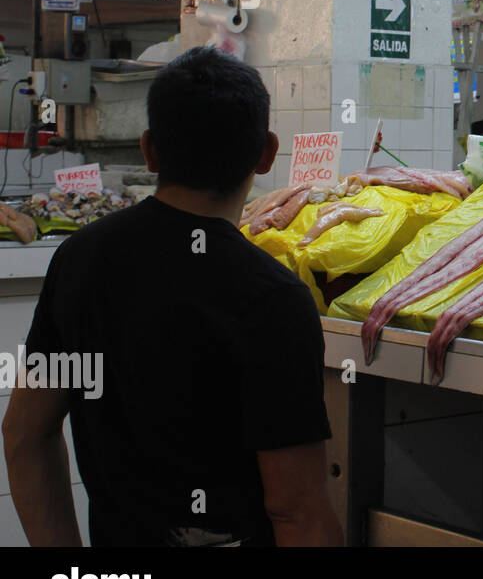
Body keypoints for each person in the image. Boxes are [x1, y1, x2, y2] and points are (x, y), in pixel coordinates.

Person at [2, 47, 342, 547]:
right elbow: (296, 512)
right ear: (267, 153)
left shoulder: (81, 259)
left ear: (149, 150)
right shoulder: (271, 296)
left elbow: (24, 436)